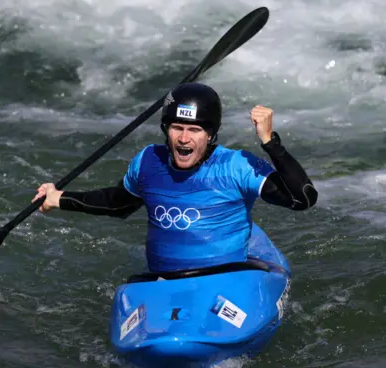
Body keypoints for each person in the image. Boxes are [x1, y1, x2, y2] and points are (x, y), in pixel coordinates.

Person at [32, 82, 318, 273]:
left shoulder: (236, 166)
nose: (183, 138)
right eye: (176, 128)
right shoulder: (148, 161)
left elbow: (302, 198)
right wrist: (60, 198)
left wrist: (270, 142)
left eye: (194, 130)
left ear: (210, 135)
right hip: (163, 282)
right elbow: (119, 204)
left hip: (227, 279)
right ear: (165, 129)